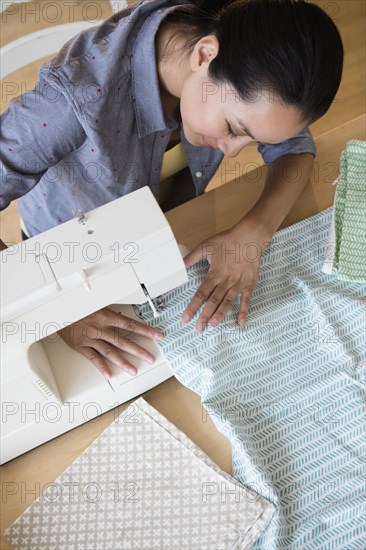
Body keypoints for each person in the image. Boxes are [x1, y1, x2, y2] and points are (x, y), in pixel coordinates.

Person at [0, 0, 343, 378]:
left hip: (158, 232)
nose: (231, 152)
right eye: (233, 129)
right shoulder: (71, 103)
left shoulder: (247, 62)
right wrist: (55, 313)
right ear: (204, 54)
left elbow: (293, 148)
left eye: (251, 139)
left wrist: (254, 231)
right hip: (62, 251)